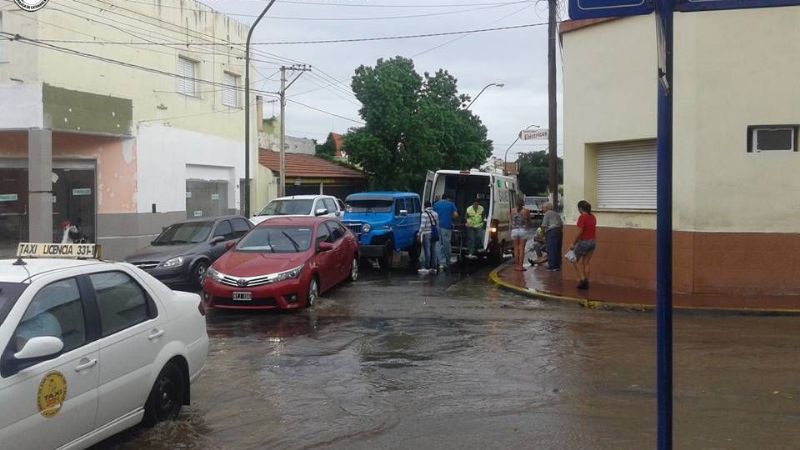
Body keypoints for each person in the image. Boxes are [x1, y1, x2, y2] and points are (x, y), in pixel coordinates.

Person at [569, 200, 596, 289]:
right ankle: (586, 281)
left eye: (578, 208)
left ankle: (582, 279)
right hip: (592, 242)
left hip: (584, 242)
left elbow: (580, 231)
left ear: (580, 208)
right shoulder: (593, 217)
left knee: (574, 260)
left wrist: (573, 243)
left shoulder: (582, 217)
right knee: (586, 262)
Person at [432, 193, 458, 271]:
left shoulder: (436, 204)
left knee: (438, 244)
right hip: (446, 227)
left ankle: (441, 263)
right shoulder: (451, 204)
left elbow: (433, 214)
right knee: (447, 244)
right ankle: (447, 261)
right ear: (448, 198)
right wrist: (450, 217)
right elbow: (456, 215)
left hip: (437, 227)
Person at [541, 202, 564, 271]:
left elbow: (543, 225)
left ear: (547, 208)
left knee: (551, 249)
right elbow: (561, 224)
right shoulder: (556, 214)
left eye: (543, 208)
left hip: (552, 232)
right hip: (559, 231)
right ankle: (557, 265)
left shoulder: (547, 214)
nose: (542, 209)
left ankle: (552, 266)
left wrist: (543, 234)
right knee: (557, 249)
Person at [419, 201, 440, 275]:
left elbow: (422, 225)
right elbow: (437, 224)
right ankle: (433, 267)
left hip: (426, 234)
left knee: (426, 250)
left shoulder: (424, 214)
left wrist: (419, 233)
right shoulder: (435, 214)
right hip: (434, 234)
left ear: (425, 206)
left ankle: (426, 266)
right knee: (433, 250)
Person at [510, 198, 530, 271]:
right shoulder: (526, 211)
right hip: (523, 230)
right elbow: (528, 220)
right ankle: (521, 266)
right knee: (521, 248)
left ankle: (516, 265)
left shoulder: (512, 211)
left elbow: (511, 220)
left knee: (515, 249)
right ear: (523, 204)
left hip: (514, 230)